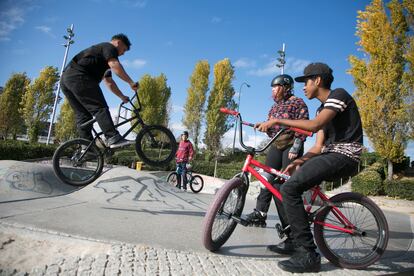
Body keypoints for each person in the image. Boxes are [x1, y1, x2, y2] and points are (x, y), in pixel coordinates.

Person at [256, 62, 363, 273]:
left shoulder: (339, 95)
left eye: (306, 81)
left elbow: (314, 126)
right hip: (329, 153)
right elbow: (317, 146)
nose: (304, 87)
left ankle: (308, 254)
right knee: (283, 183)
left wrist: (279, 120)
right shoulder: (322, 108)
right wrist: (299, 161)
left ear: (318, 80)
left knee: (290, 189)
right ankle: (292, 239)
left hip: (345, 155)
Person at [245, 74, 309, 228]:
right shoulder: (274, 107)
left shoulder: (298, 103)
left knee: (285, 182)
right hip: (276, 145)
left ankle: (291, 221)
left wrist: (296, 146)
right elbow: (272, 128)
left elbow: (303, 124)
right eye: (272, 88)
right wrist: (264, 126)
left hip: (291, 144)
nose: (273, 91)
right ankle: (260, 213)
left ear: (286, 87)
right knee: (267, 178)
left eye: (276, 87)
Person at [61, 33, 138, 148]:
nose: (122, 54)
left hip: (66, 80)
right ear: (118, 43)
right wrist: (131, 82)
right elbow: (115, 65)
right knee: (100, 108)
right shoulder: (109, 47)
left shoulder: (100, 59)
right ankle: (112, 137)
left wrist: (121, 96)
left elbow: (108, 82)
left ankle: (87, 149)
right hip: (79, 76)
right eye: (124, 50)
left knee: (83, 116)